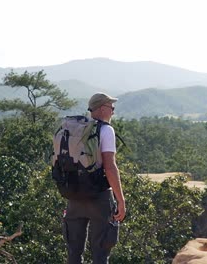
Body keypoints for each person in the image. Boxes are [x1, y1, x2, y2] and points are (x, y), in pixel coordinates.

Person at [64, 92, 126, 264]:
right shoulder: (106, 130)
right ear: (101, 108)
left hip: (74, 196)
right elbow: (110, 167)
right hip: (99, 197)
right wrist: (120, 200)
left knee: (74, 252)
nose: (113, 111)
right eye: (111, 107)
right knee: (101, 253)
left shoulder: (76, 129)